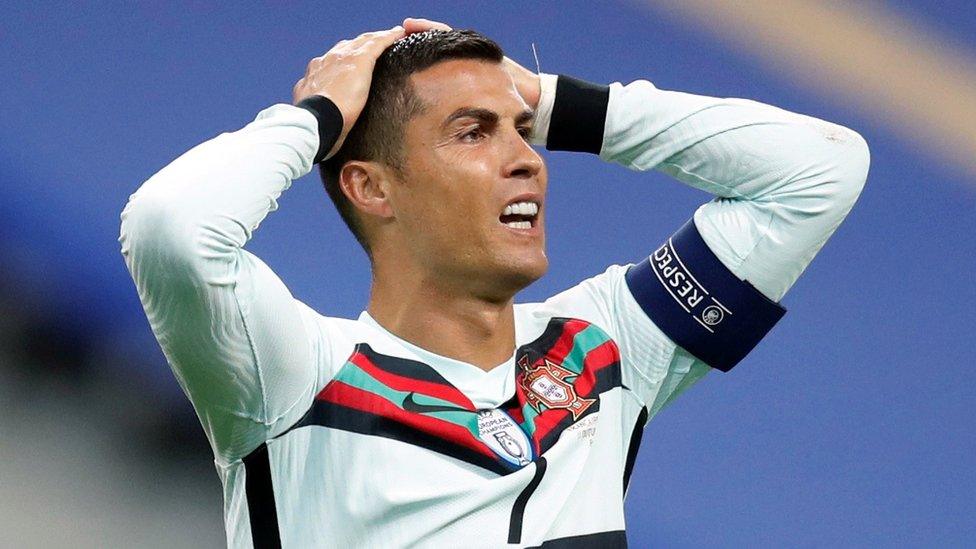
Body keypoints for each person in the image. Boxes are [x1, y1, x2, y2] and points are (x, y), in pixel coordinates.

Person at [119, 16, 869, 549]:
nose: (528, 159)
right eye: (474, 132)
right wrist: (317, 116)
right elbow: (170, 226)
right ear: (372, 188)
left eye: (520, 131)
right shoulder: (294, 376)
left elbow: (819, 171)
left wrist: (553, 104)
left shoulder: (604, 351)